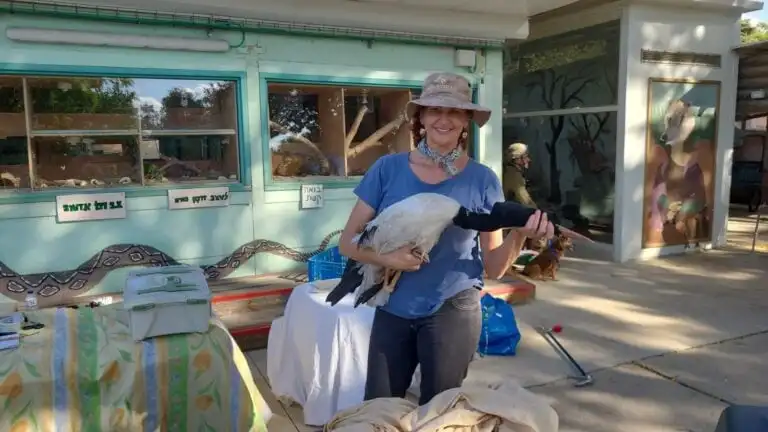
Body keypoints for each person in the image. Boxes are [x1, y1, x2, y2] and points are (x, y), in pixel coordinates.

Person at [337, 72, 555, 405]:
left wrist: (520, 236)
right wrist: (390, 260)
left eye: (454, 111)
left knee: (440, 411)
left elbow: (494, 267)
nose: (444, 119)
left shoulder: (482, 179)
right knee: (379, 407)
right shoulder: (387, 169)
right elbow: (347, 243)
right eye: (435, 110)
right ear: (421, 117)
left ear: (466, 120)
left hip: (453, 308)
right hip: (392, 306)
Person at [503, 142, 537, 208]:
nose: (528, 160)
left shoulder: (509, 171)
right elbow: (526, 202)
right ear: (517, 159)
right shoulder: (514, 175)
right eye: (525, 157)